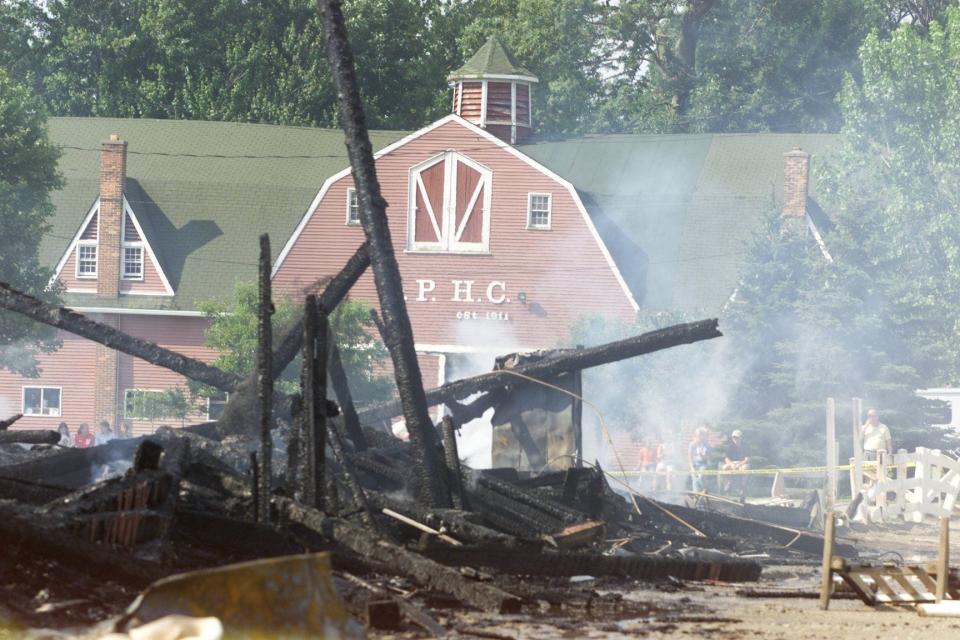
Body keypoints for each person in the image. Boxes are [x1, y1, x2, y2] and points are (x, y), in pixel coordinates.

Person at [721, 429, 750, 497]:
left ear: (741, 437)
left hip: (742, 463)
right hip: (732, 463)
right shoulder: (729, 446)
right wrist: (732, 464)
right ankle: (728, 484)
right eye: (733, 437)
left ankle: (742, 486)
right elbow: (726, 458)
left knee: (746, 467)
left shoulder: (745, 446)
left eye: (737, 437)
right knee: (724, 467)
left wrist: (740, 464)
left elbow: (747, 458)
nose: (735, 438)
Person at [688, 427, 711, 493]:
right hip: (694, 464)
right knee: (695, 481)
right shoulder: (692, 444)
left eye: (701, 435)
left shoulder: (707, 445)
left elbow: (709, 458)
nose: (699, 437)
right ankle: (697, 498)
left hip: (703, 464)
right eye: (698, 435)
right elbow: (689, 457)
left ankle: (705, 491)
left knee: (701, 477)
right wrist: (692, 468)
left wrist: (703, 456)